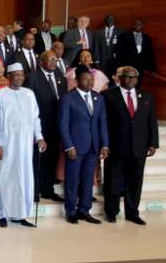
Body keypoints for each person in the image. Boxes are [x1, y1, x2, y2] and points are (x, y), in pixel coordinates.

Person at [0, 63, 46, 228]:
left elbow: (36, 118)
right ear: (9, 77)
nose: (20, 78)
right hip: (5, 144)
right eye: (16, 75)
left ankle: (19, 214)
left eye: (21, 75)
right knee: (4, 177)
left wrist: (39, 137)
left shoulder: (29, 94)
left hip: (25, 146)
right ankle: (1, 213)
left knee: (24, 178)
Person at [103, 66, 158, 225]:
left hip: (139, 147)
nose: (130, 80)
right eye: (127, 77)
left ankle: (132, 212)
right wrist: (104, 144)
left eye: (133, 77)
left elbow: (151, 121)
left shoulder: (146, 96)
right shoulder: (108, 96)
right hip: (116, 146)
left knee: (135, 181)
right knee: (113, 180)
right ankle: (112, 212)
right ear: (120, 78)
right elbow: (104, 122)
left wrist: (153, 143)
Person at [59, 65, 109, 224]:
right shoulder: (68, 98)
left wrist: (105, 145)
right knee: (72, 180)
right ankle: (71, 211)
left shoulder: (98, 98)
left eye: (91, 79)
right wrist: (69, 146)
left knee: (88, 180)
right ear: (76, 80)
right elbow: (63, 125)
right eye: (85, 79)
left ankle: (84, 210)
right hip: (75, 147)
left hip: (93, 147)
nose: (89, 82)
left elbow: (103, 124)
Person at [23, 51, 67, 202]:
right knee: (37, 160)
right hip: (38, 126)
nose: (54, 62)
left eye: (56, 59)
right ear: (41, 61)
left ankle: (48, 189)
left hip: (56, 126)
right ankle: (34, 191)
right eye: (50, 59)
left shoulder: (61, 78)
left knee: (51, 158)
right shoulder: (32, 78)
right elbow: (27, 104)